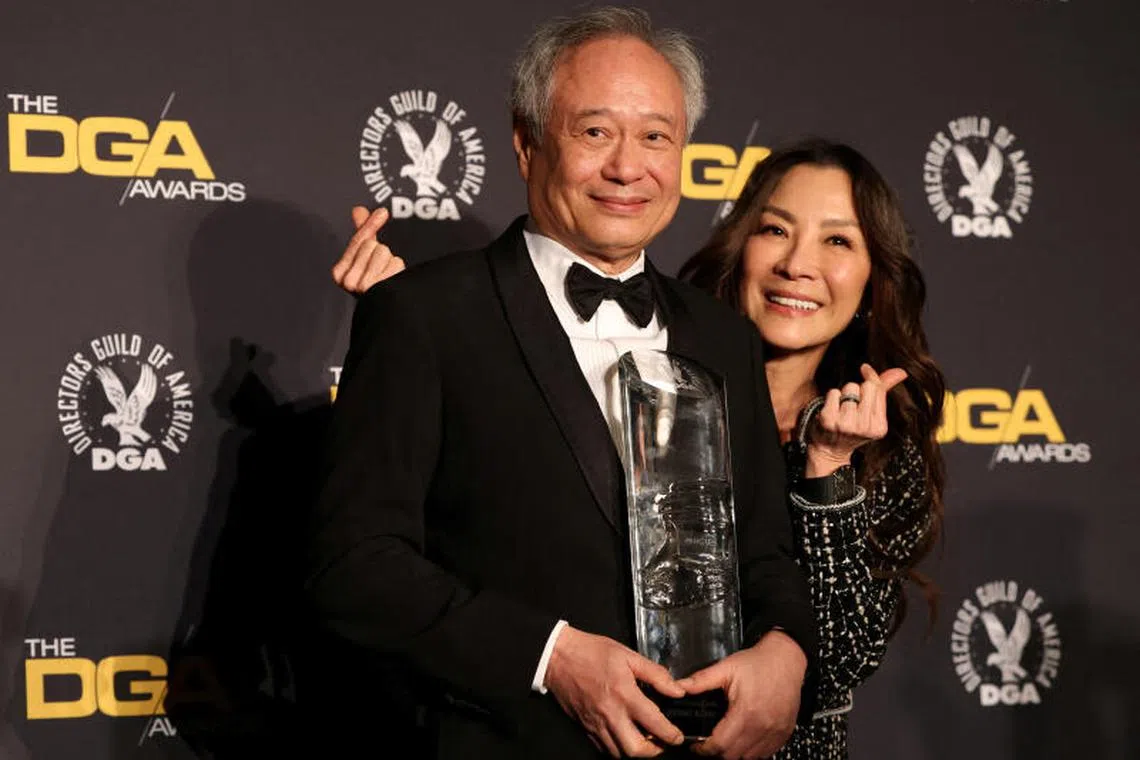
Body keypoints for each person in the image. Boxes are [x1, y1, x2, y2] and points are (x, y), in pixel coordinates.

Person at [308, 7, 816, 760]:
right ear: (526, 143)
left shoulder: (725, 338)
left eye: (656, 137)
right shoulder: (425, 315)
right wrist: (551, 657)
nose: (627, 168)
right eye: (595, 132)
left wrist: (786, 650)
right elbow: (355, 565)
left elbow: (767, 554)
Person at [335, 137, 946, 759]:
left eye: (837, 240)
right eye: (775, 230)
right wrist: (413, 326)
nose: (797, 264)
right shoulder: (650, 355)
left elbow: (835, 661)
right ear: (741, 244)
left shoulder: (881, 448)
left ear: (874, 278)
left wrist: (829, 473)